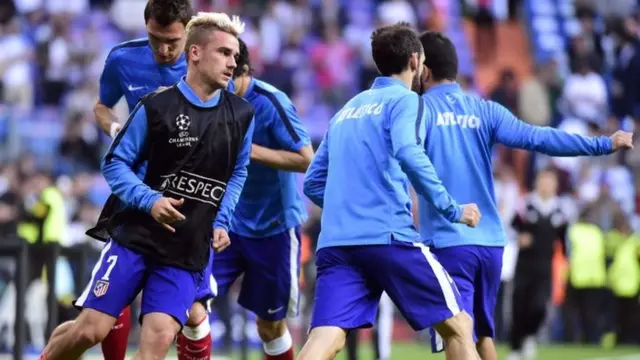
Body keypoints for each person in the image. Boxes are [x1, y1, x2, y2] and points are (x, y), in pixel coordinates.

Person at [39, 12, 253, 360]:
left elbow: (238, 171)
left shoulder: (243, 115)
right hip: (137, 236)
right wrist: (151, 201)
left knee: (155, 345)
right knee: (90, 330)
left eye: (235, 55)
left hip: (187, 248)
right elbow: (115, 163)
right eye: (224, 53)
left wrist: (222, 220)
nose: (234, 62)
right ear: (195, 53)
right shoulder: (156, 105)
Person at [414, 31, 633, 360]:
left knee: (459, 337)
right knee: (483, 337)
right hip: (489, 244)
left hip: (449, 242)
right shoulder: (485, 110)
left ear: (425, 70)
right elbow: (540, 138)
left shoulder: (417, 112)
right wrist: (602, 143)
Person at [298, 22, 482, 360]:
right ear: (415, 61)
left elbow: (312, 181)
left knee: (327, 338)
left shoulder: (345, 111)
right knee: (459, 325)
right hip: (388, 238)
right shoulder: (405, 101)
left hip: (337, 243)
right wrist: (452, 209)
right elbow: (409, 153)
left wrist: (350, 207)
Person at [91, 1, 220, 358]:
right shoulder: (122, 59)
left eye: (172, 42)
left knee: (193, 312)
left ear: (190, 33)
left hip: (191, 202)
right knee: (110, 300)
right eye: (154, 39)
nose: (163, 50)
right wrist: (116, 128)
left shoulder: (210, 66)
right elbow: (102, 105)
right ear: (146, 26)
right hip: (137, 193)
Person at [212, 37, 313, 360]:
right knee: (191, 305)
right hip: (227, 226)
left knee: (269, 326)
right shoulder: (212, 97)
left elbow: (305, 158)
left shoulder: (271, 102)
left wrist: (249, 150)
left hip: (274, 228)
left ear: (241, 70)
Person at [508, 169, 569, 360]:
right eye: (543, 181)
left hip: (545, 266)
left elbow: (565, 239)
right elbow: (510, 228)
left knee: (540, 306)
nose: (546, 186)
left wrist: (567, 261)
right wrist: (519, 237)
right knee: (519, 306)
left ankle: (530, 337)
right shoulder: (525, 205)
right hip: (524, 265)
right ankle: (516, 348)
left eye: (550, 182)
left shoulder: (559, 209)